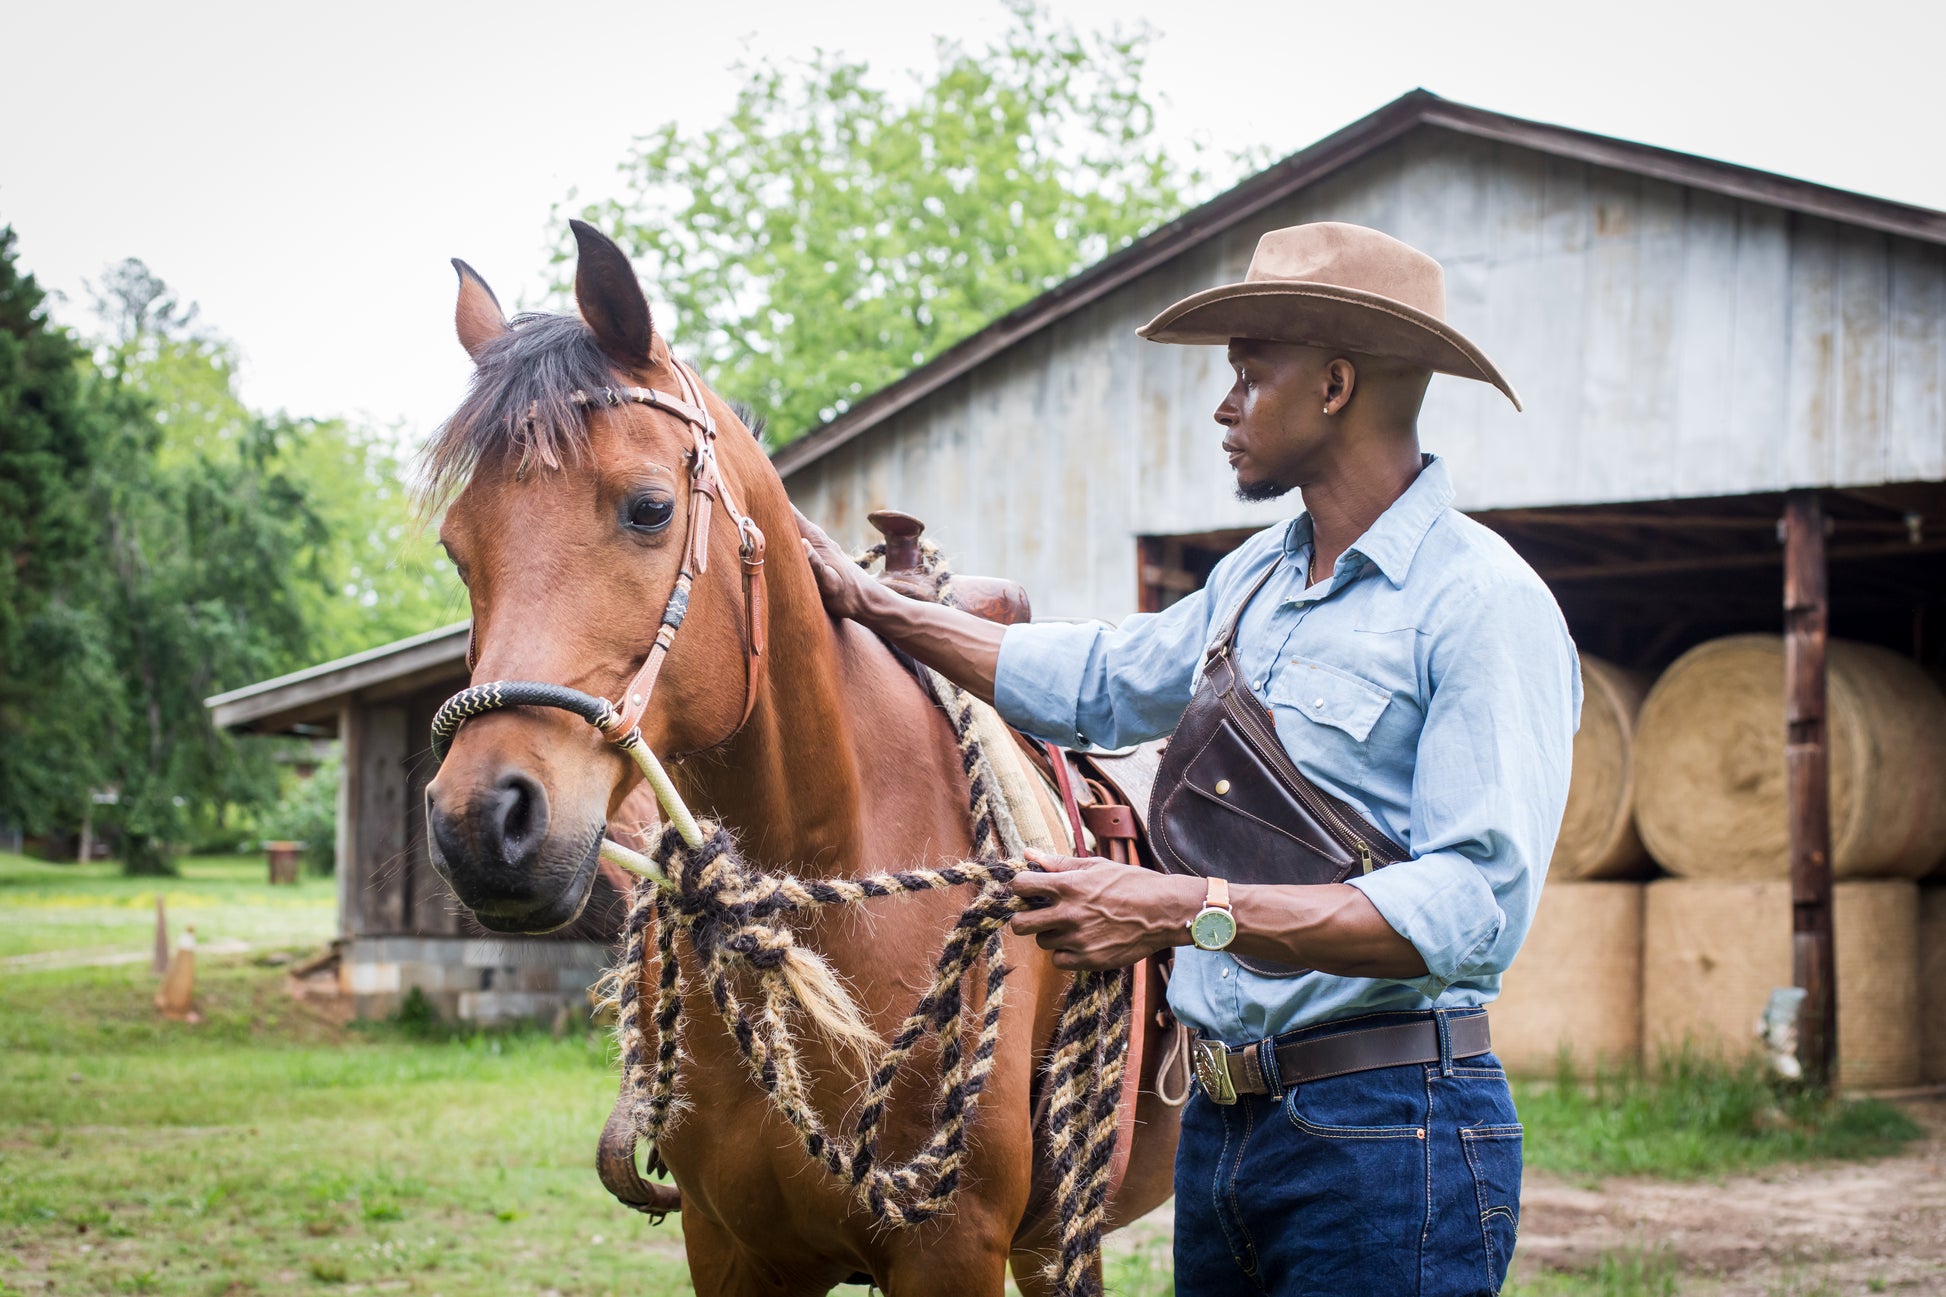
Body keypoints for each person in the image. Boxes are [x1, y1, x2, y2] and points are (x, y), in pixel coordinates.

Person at [796, 221, 1581, 1297]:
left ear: (1336, 385)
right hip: (1222, 1128)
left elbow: (1470, 909)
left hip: (1395, 1130)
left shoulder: (1481, 603)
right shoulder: (1256, 579)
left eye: (1249, 375)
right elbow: (1102, 680)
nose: (1223, 406)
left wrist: (1178, 909)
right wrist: (880, 608)